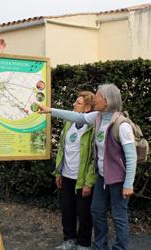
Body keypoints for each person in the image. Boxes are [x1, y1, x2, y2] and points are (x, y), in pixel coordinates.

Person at [38, 84, 137, 250]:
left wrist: (128, 184)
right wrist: (49, 110)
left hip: (119, 179)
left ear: (106, 101)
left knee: (119, 217)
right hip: (102, 177)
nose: (95, 98)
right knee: (97, 212)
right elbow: (76, 117)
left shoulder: (122, 124)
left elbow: (131, 156)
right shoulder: (98, 116)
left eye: (98, 96)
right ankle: (99, 246)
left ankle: (120, 248)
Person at [54, 91, 96, 250]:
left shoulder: (92, 126)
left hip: (82, 179)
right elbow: (62, 148)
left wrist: (89, 182)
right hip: (66, 175)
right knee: (67, 210)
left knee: (84, 213)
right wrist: (58, 172)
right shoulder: (68, 122)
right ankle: (69, 239)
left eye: (77, 103)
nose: (73, 104)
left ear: (87, 108)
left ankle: (84, 244)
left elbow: (94, 157)